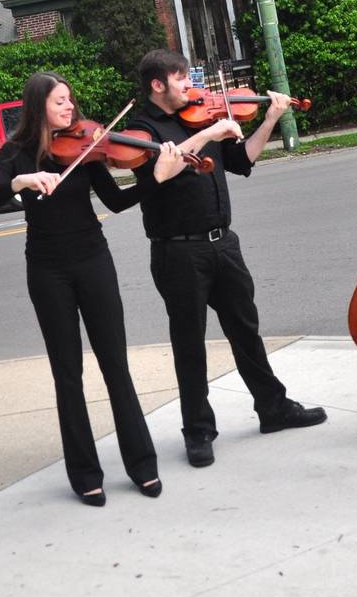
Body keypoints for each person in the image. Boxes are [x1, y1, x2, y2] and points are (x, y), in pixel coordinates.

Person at [0, 71, 188, 506]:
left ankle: (142, 464)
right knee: (67, 373)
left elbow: (115, 202)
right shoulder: (16, 152)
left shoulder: (89, 146)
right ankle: (84, 473)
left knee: (116, 365)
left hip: (93, 260)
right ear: (39, 106)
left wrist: (157, 177)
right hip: (46, 269)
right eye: (60, 102)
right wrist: (22, 181)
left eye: (70, 100)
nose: (69, 108)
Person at [124, 50, 328, 468]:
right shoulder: (143, 130)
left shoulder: (201, 114)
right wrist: (210, 132)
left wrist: (270, 118)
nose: (190, 86)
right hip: (177, 250)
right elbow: (156, 173)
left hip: (223, 243)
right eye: (180, 80)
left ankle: (273, 408)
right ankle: (198, 431)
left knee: (246, 330)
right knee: (189, 342)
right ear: (157, 85)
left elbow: (242, 161)